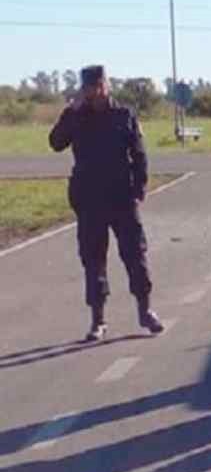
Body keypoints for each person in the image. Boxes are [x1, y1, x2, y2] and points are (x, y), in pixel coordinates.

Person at [49, 65, 165, 342]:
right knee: (93, 259)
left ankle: (145, 310)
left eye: (100, 86)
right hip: (89, 199)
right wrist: (71, 111)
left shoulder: (123, 115)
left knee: (135, 254)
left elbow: (138, 153)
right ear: (84, 89)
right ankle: (98, 321)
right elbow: (55, 142)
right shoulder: (76, 116)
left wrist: (140, 187)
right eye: (90, 87)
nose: (96, 92)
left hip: (121, 197)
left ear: (107, 85)